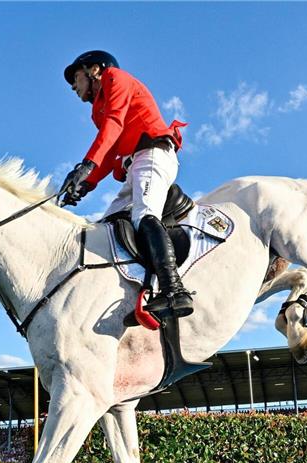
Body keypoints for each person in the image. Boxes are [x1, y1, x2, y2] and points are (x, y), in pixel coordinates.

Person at [58, 50, 193, 319]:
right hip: (135, 165)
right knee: (106, 226)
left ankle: (174, 291)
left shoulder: (114, 78)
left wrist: (86, 166)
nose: (73, 86)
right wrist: (87, 183)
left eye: (76, 77)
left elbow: (114, 124)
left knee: (143, 215)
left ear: (94, 69)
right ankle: (134, 292)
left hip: (153, 153)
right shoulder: (98, 110)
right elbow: (111, 151)